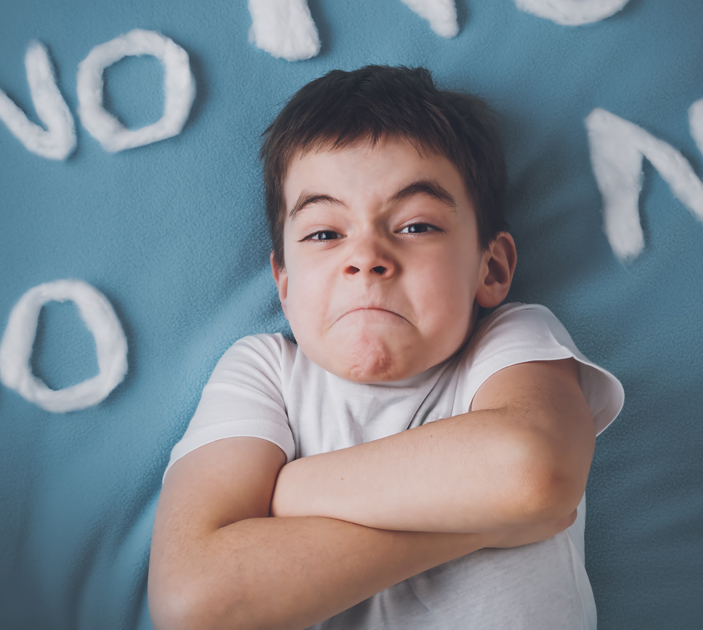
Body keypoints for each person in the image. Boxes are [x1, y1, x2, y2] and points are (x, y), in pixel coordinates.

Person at [148, 65, 624, 630]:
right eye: (325, 233)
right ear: (284, 283)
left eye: (416, 225)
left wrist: (288, 491)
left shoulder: (511, 341)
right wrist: (489, 522)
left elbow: (534, 471)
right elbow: (195, 600)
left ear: (490, 267)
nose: (367, 256)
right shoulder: (265, 372)